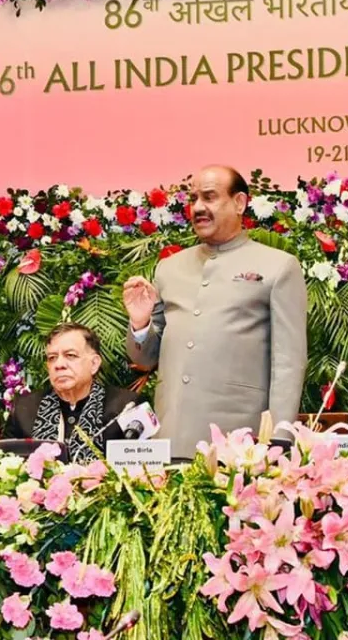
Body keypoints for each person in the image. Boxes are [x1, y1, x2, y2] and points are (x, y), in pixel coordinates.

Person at [123, 165, 308, 460]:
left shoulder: (278, 267)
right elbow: (144, 359)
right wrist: (141, 323)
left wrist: (279, 438)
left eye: (209, 197)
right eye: (193, 198)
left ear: (239, 203)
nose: (198, 207)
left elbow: (288, 362)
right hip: (171, 438)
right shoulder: (169, 268)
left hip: (240, 446)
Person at [5, 323, 147, 463]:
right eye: (52, 358)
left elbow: (143, 468)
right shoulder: (24, 409)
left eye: (70, 355)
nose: (59, 365)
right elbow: (3, 465)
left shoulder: (126, 407)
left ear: (94, 364)